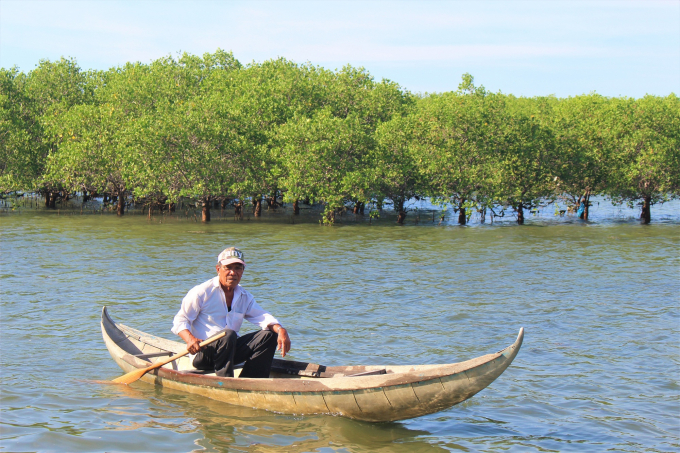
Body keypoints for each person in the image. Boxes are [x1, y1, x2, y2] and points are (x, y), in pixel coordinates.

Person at [171, 247, 291, 378]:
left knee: (269, 335)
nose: (233, 273)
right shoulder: (202, 292)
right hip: (204, 353)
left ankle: (252, 380)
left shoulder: (244, 296)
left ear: (242, 271)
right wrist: (190, 339)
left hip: (230, 352)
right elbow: (180, 321)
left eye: (238, 268)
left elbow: (262, 317)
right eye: (228, 268)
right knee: (227, 334)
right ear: (218, 269)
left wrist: (280, 330)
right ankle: (225, 381)